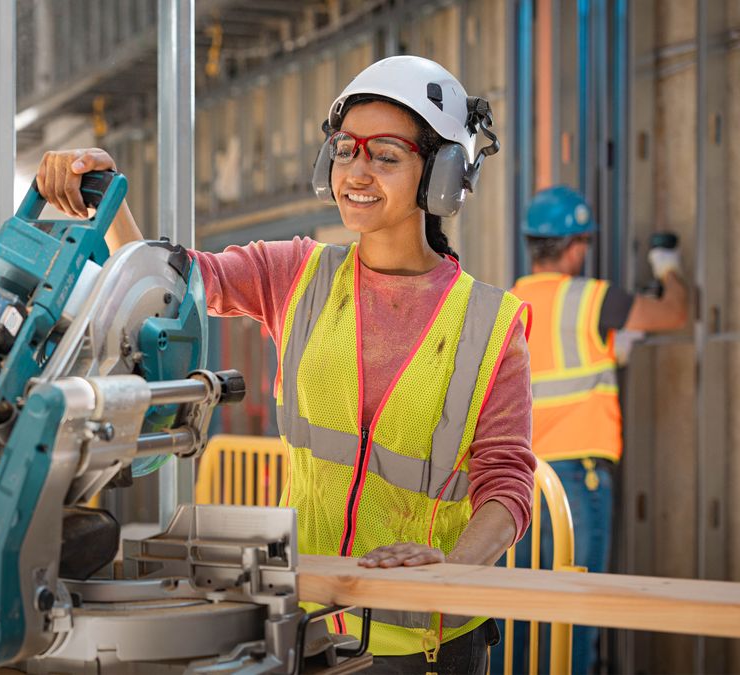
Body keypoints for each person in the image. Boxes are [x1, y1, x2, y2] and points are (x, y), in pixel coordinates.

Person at [36, 56, 536, 673]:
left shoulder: (491, 323)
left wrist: (451, 570)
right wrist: (104, 196)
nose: (357, 171)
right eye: (346, 149)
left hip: (425, 643)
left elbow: (508, 482)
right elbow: (175, 283)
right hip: (307, 624)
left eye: (386, 155)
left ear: (439, 176)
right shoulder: (298, 274)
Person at [505, 185, 688, 674]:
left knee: (522, 611)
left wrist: (612, 348)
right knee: (576, 611)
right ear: (577, 245)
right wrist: (666, 266)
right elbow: (674, 312)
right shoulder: (592, 298)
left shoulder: (506, 304)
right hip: (578, 481)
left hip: (520, 486)